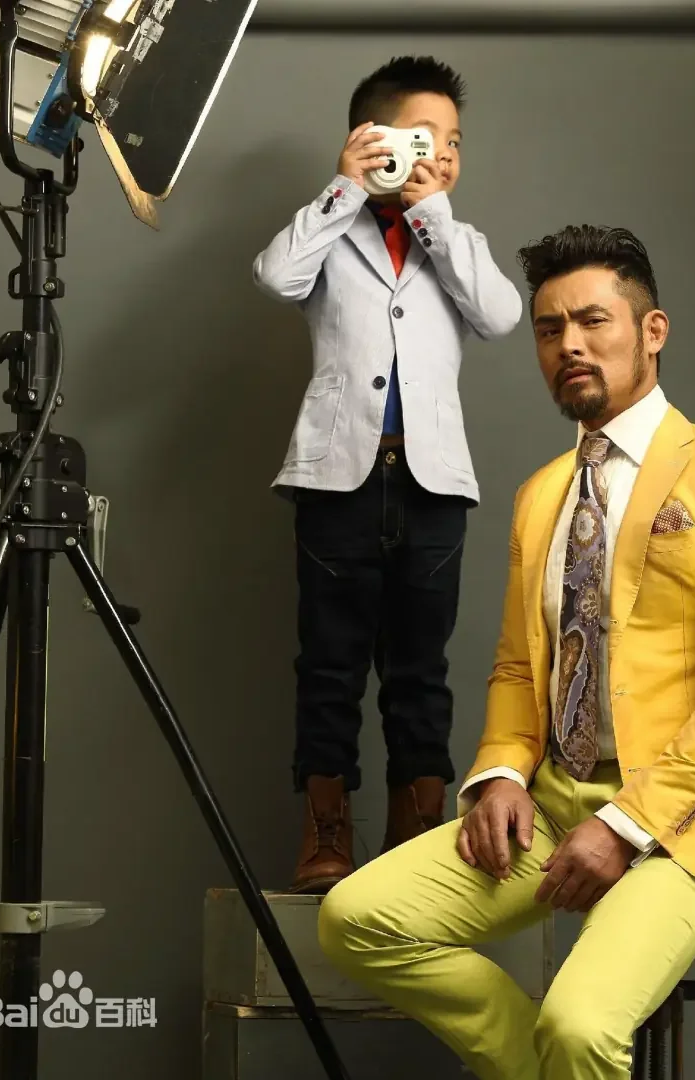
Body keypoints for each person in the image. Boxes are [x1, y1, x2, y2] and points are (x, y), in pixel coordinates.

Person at [317, 224, 695, 1079]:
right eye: (548, 329)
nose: (568, 344)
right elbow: (517, 667)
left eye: (592, 321)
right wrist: (501, 773)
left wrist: (624, 825)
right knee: (356, 920)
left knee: (579, 1026)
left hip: (686, 818)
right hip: (552, 802)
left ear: (651, 331)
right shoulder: (540, 494)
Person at [253, 56, 523, 894]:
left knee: (419, 668)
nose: (442, 154)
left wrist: (431, 212)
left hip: (433, 485)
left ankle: (417, 831)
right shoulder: (330, 229)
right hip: (337, 477)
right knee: (329, 664)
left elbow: (501, 315)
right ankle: (326, 829)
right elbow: (275, 276)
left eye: (454, 142)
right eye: (423, 137)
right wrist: (344, 188)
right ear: (371, 138)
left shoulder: (457, 241)